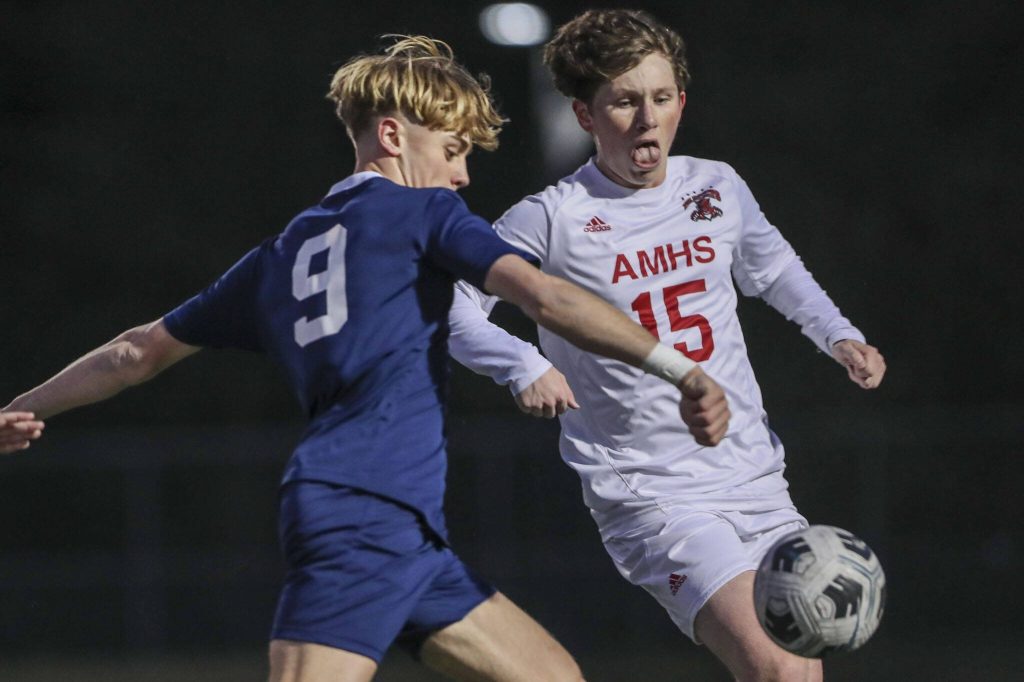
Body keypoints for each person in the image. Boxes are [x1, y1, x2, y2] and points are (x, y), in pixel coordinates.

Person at [1, 36, 730, 682]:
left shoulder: (279, 254)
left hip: (404, 529)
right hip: (360, 506)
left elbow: (136, 351)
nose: (462, 177)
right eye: (453, 151)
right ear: (391, 134)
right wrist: (680, 369)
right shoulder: (420, 214)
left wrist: (23, 405)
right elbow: (546, 297)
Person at [447, 10, 886, 682]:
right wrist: (522, 363)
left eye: (660, 98)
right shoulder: (552, 218)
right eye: (624, 101)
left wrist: (839, 334)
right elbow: (451, 309)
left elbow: (773, 269)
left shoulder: (716, 187)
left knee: (798, 675)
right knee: (775, 667)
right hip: (656, 498)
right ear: (586, 115)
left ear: (681, 101)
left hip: (756, 479)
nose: (647, 119)